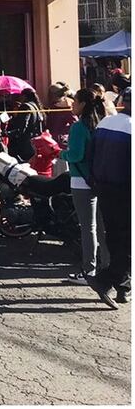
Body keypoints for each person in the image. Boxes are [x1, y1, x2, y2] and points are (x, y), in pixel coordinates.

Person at [59, 88, 110, 286]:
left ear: (82, 105)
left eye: (75, 101)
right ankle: (107, 266)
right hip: (99, 179)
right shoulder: (100, 123)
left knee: (88, 228)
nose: (72, 104)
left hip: (81, 180)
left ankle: (89, 270)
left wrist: (61, 154)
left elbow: (75, 155)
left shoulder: (79, 127)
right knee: (102, 227)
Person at [88, 88, 131, 309]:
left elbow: (90, 155)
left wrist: (94, 182)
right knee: (126, 241)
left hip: (104, 189)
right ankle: (107, 280)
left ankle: (123, 286)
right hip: (124, 191)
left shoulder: (106, 123)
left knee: (116, 238)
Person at [6, 88, 45, 163]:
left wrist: (8, 133)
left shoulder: (25, 107)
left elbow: (22, 127)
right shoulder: (35, 106)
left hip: (24, 144)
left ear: (24, 96)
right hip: (34, 142)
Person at [46, 82, 77, 174]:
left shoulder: (66, 107)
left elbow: (74, 123)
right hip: (55, 139)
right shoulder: (55, 106)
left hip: (60, 141)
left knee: (61, 168)